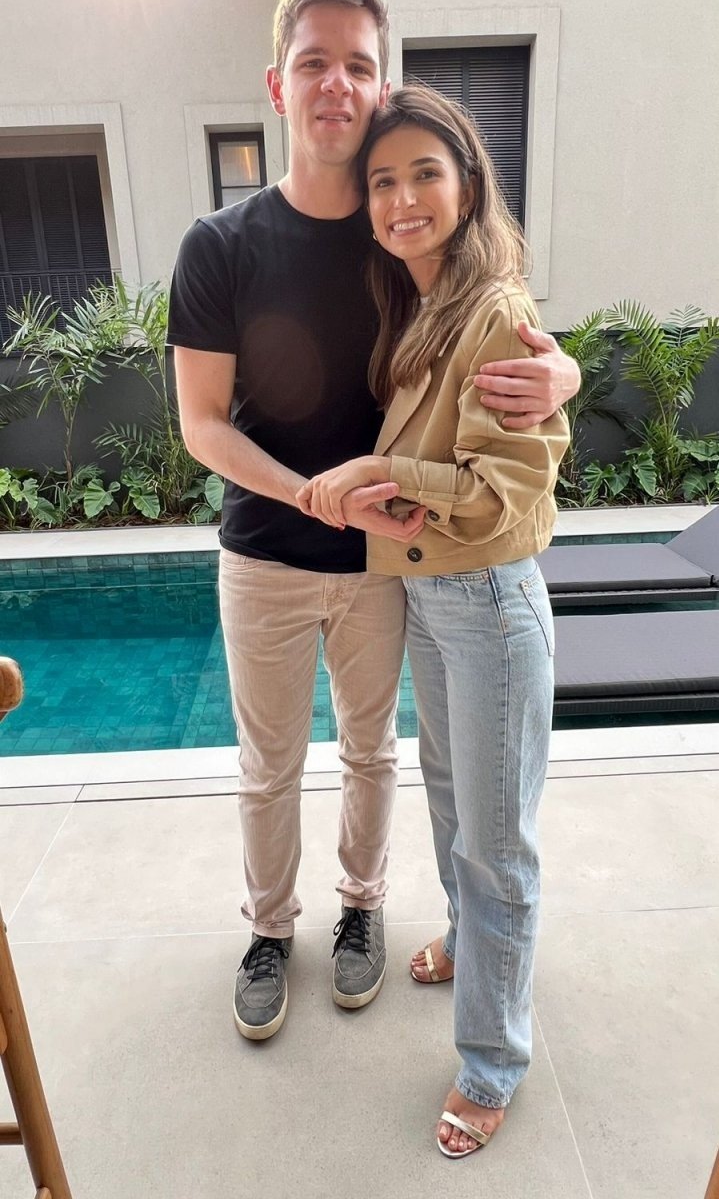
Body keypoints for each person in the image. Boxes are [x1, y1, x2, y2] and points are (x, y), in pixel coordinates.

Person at [167, 0, 580, 1043]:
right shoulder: (219, 246)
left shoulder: (399, 232)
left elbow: (493, 320)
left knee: (371, 752)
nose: (336, 84)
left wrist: (565, 371)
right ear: (278, 83)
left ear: (381, 84)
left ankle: (361, 908)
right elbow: (202, 424)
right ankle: (269, 928)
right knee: (267, 766)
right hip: (265, 551)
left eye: (358, 64)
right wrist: (315, 496)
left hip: (387, 558)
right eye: (314, 62)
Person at [297, 84, 569, 1157]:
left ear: (466, 184)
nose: (402, 197)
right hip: (433, 596)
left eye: (424, 173)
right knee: (455, 803)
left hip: (490, 600)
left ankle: (492, 1061)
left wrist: (377, 472)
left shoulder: (493, 308)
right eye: (382, 180)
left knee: (496, 846)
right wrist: (388, 484)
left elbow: (503, 491)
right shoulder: (422, 306)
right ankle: (467, 940)